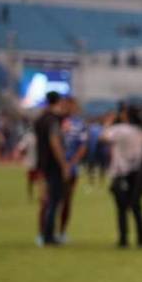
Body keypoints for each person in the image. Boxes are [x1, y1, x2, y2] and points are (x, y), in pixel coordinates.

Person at [101, 105, 142, 248]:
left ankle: (123, 239)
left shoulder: (120, 130)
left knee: (121, 208)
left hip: (121, 172)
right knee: (136, 206)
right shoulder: (140, 131)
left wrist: (108, 123)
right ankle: (141, 239)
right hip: (137, 171)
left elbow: (103, 137)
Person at [34, 91, 70, 245]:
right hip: (53, 164)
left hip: (42, 162)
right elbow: (54, 142)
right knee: (54, 200)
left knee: (48, 199)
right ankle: (49, 235)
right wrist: (63, 164)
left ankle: (45, 233)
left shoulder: (40, 119)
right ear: (59, 101)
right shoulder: (53, 120)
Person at [58, 97, 88, 243]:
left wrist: (71, 164)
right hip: (53, 167)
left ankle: (62, 231)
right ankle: (46, 232)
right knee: (49, 201)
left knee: (67, 200)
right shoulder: (54, 122)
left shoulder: (79, 124)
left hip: (71, 167)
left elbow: (83, 146)